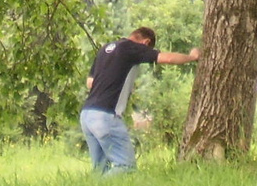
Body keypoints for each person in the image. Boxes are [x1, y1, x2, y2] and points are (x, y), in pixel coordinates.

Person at [79, 26, 199, 174]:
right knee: (126, 166)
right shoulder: (132, 48)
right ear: (146, 42)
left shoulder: (105, 50)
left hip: (87, 114)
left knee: (100, 169)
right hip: (106, 115)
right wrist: (192, 57)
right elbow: (167, 58)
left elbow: (90, 82)